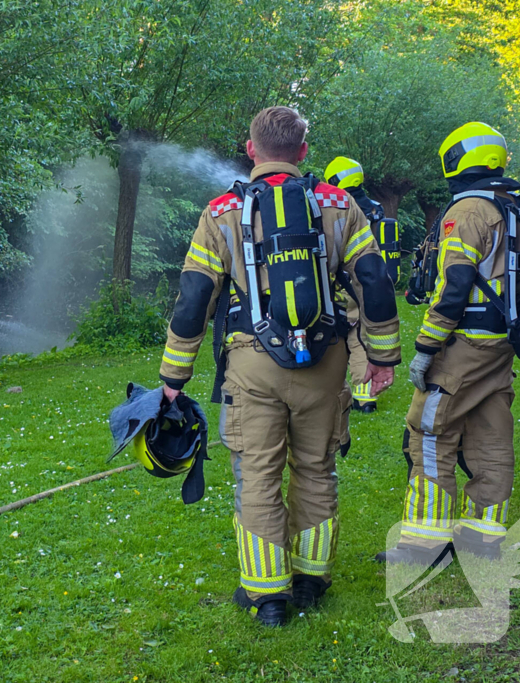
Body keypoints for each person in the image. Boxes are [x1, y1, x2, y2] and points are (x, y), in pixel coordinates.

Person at [159, 106, 401, 626]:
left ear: (251, 150)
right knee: (316, 469)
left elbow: (194, 295)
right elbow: (374, 282)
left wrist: (173, 378)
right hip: (326, 361)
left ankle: (269, 596)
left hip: (252, 364)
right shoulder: (339, 204)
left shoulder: (221, 210)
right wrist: (381, 356)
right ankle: (312, 579)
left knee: (257, 474)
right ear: (304, 153)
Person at [378, 122, 520, 566]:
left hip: (463, 345)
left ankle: (424, 547)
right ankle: (481, 539)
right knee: (491, 436)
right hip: (499, 342)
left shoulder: (469, 210)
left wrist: (427, 344)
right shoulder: (513, 206)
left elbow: (456, 282)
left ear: (457, 158)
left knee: (428, 433)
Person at [324, 157, 396, 416]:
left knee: (352, 336)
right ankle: (357, 390)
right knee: (362, 333)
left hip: (345, 283)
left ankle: (362, 395)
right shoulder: (375, 208)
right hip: (371, 281)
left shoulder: (339, 207)